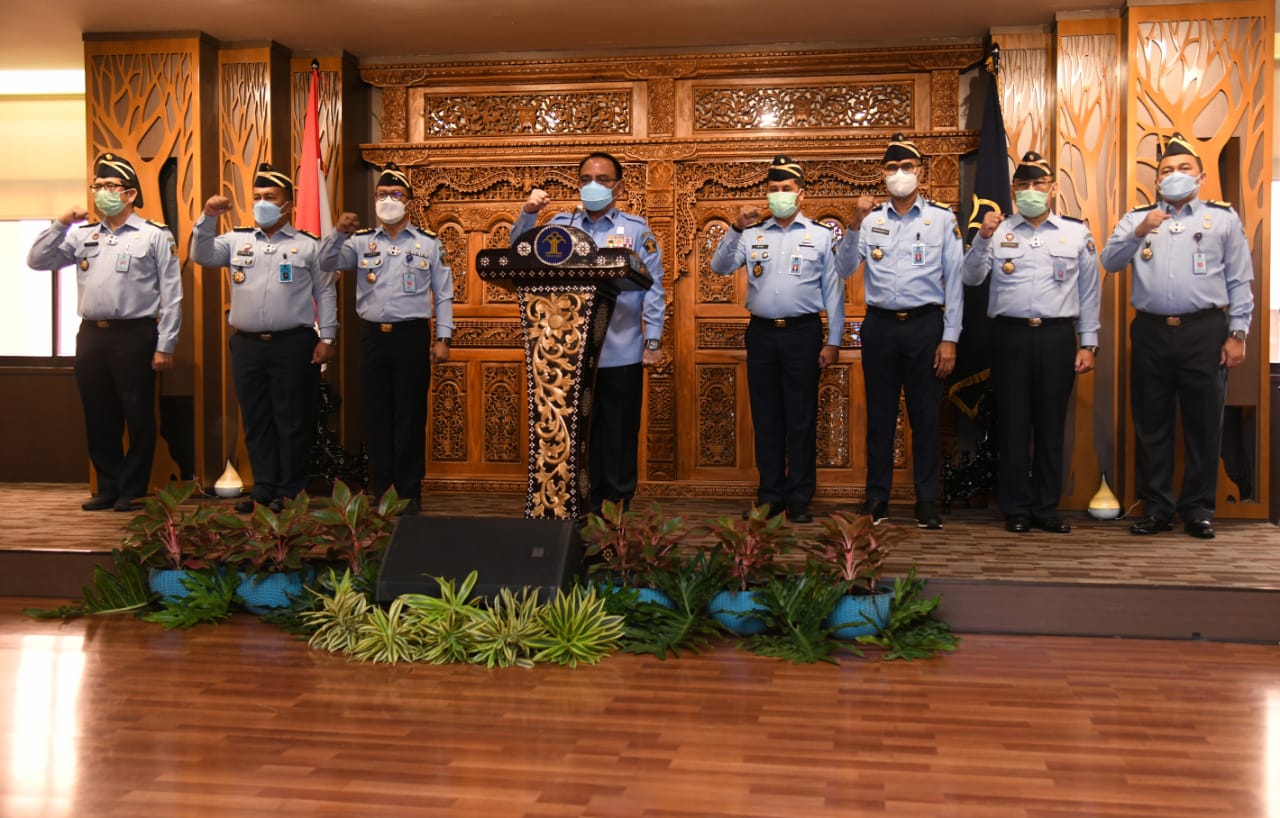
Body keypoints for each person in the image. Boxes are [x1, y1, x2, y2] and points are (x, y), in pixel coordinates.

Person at [1100, 132, 1254, 540]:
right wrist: (1138, 231)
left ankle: (1199, 509)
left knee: (1204, 425)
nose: (1174, 175)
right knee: (1152, 425)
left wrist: (1238, 333)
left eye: (1184, 168)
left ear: (1200, 177)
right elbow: (1109, 262)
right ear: (1157, 181)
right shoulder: (1138, 218)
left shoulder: (1222, 219)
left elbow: (1240, 280)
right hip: (1150, 331)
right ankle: (1157, 508)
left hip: (1205, 330)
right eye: (1166, 170)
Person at [511, 152, 666, 516]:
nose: (593, 186)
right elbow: (518, 253)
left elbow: (654, 289)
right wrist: (528, 213)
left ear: (619, 187)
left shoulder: (636, 229)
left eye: (602, 179)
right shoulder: (560, 226)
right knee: (579, 434)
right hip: (568, 354)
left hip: (621, 351)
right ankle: (580, 507)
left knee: (618, 434)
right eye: (585, 179)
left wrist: (653, 342)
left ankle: (615, 512)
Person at [27, 152, 183, 512]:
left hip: (135, 334)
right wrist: (60, 224)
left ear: (130, 194)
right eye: (97, 186)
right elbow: (37, 261)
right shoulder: (83, 235)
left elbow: (172, 294)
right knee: (98, 414)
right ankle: (108, 486)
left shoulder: (154, 235)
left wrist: (166, 345)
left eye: (110, 186)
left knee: (138, 414)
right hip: (91, 335)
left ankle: (133, 489)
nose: (101, 192)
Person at [961, 151, 1101, 534]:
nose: (1031, 191)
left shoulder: (1076, 233)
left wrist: (1088, 343)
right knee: (1013, 425)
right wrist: (981, 238)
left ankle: (1046, 508)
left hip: (1057, 336)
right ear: (1013, 190)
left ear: (1052, 189)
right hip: (1010, 336)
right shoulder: (998, 231)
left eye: (1038, 184)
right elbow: (971, 278)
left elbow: (1090, 292)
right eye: (1023, 185)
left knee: (1051, 425)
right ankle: (1017, 509)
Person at [191, 162, 339, 513]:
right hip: (247, 345)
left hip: (293, 343)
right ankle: (263, 489)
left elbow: (325, 292)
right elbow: (202, 255)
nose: (261, 203)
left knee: (292, 421)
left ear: (288, 204)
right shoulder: (236, 240)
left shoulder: (308, 245)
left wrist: (328, 338)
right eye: (257, 196)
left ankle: (289, 492)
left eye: (270, 197)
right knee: (256, 420)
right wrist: (208, 217)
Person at [836, 133, 963, 529]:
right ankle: (877, 497)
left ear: (920, 173)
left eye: (906, 167)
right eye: (892, 168)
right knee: (879, 417)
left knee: (925, 417)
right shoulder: (871, 220)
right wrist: (854, 223)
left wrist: (950, 338)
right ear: (883, 174)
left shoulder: (941, 219)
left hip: (926, 326)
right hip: (880, 327)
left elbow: (956, 282)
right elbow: (842, 268)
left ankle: (926, 501)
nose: (899, 174)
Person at [709, 155, 844, 524]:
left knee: (801, 419)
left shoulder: (820, 235)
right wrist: (735, 228)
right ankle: (769, 496)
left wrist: (833, 341)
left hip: (803, 333)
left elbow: (834, 291)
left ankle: (799, 498)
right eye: (773, 189)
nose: (779, 195)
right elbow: (719, 267)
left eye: (786, 189)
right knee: (766, 418)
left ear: (801, 195)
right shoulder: (753, 234)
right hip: (762, 334)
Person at [325, 163, 453, 516]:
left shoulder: (428, 243)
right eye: (381, 194)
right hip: (372, 337)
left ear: (409, 200)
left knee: (410, 416)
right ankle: (380, 490)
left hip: (411, 337)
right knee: (376, 415)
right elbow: (326, 263)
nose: (388, 200)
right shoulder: (359, 241)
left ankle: (409, 492)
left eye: (396, 194)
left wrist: (443, 337)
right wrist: (337, 233)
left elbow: (443, 293)